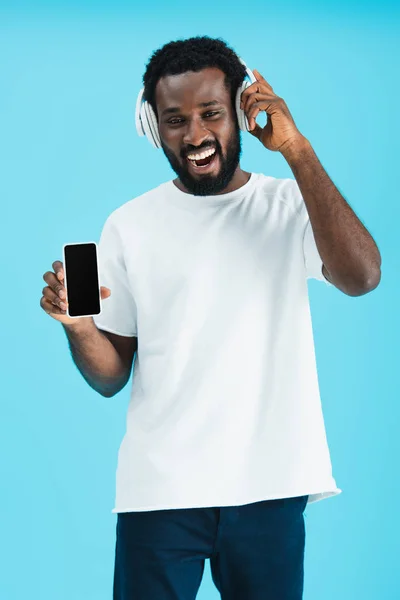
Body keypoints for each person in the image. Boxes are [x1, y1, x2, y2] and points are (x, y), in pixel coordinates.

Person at [40, 36, 381, 600]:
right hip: (160, 494)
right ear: (153, 127)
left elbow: (362, 276)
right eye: (174, 119)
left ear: (241, 112)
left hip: (271, 485)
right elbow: (110, 376)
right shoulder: (129, 225)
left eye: (211, 114)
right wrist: (79, 328)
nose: (195, 135)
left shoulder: (290, 205)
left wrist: (296, 149)